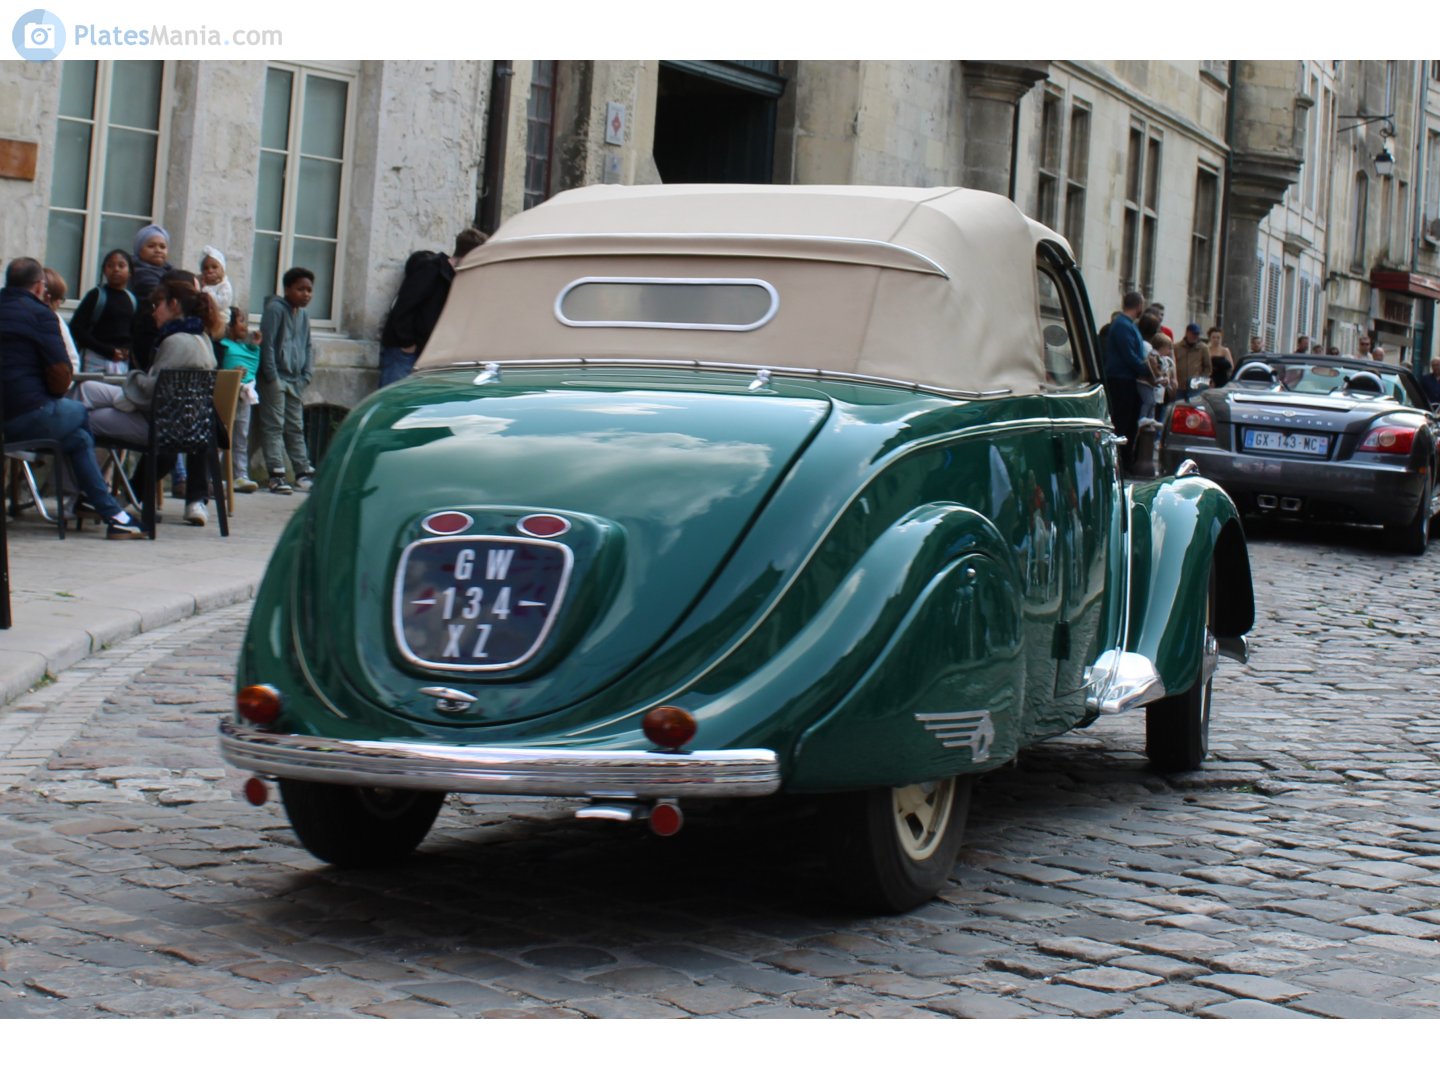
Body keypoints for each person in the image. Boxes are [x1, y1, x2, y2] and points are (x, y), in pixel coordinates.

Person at [0, 257, 144, 538]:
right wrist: (51, 395)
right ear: (40, 287)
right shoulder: (41, 314)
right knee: (80, 413)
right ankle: (88, 499)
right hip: (25, 415)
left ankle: (111, 513)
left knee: (78, 439)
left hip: (9, 417)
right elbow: (61, 372)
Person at [72, 274, 224, 527]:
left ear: (174, 305)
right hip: (183, 425)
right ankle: (95, 496)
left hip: (163, 427)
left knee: (85, 419)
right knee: (88, 392)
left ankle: (88, 496)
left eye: (158, 305)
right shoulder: (202, 338)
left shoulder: (174, 341)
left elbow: (150, 394)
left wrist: (134, 380)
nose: (154, 312)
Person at [378, 227, 488, 387]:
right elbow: (405, 305)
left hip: (423, 355)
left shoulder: (452, 277)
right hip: (404, 354)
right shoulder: (431, 269)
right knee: (394, 405)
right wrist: (407, 344)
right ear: (470, 255)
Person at [258, 267, 317, 494]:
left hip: (296, 379)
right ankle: (276, 474)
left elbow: (308, 346)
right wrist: (272, 376)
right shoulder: (275, 310)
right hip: (276, 379)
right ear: (288, 289)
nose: (306, 294)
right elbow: (269, 344)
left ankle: (302, 472)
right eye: (300, 289)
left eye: (310, 290)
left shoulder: (303, 315)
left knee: (295, 426)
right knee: (274, 425)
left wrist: (306, 375)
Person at [1102, 290, 1148, 473]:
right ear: (1138, 306)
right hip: (1120, 380)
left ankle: (1125, 461)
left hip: (1127, 379)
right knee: (1122, 422)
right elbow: (1130, 355)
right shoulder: (1122, 325)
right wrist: (1146, 370)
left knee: (1129, 422)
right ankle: (1119, 463)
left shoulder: (1128, 325)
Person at [68, 249, 135, 374]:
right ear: (104, 270)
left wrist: (127, 350)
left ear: (130, 271)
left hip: (122, 362)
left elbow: (133, 332)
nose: (116, 269)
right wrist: (107, 351)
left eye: (121, 265)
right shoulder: (96, 296)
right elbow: (76, 328)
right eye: (110, 266)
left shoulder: (132, 300)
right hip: (95, 360)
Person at [216, 305, 261, 493]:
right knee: (220, 434)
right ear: (229, 325)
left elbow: (253, 365)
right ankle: (209, 475)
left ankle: (240, 475)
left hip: (244, 395)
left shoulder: (246, 348)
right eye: (241, 321)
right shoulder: (222, 346)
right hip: (226, 394)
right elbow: (217, 368)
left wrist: (255, 346)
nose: (246, 326)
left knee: (241, 436)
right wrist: (231, 374)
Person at [42, 267, 80, 372]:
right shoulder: (55, 320)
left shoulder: (57, 320)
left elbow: (72, 362)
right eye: (60, 298)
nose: (59, 303)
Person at [1135, 312, 1162, 426]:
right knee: (1149, 400)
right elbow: (1149, 363)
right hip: (1145, 380)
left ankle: (1150, 417)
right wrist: (1155, 377)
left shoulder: (1141, 343)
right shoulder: (1146, 346)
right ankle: (1144, 417)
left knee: (1151, 401)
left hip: (1147, 381)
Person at [1174, 322, 1209, 401]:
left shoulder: (1203, 348)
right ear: (1187, 333)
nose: (1195, 336)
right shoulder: (1176, 347)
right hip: (1179, 385)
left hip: (1195, 387)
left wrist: (1201, 381)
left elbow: (1207, 368)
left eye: (1197, 334)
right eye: (1193, 334)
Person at [199, 246, 233, 313]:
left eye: (214, 267)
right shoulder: (200, 282)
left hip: (220, 318)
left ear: (223, 269)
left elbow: (222, 303)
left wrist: (206, 289)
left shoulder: (224, 285)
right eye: (205, 268)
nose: (210, 270)